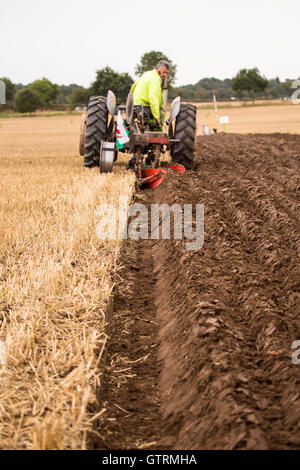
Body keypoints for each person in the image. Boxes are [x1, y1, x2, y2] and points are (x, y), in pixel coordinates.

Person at [130, 60, 169, 129]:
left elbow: (133, 87)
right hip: (144, 108)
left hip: (135, 107)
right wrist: (157, 117)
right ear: (158, 69)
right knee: (160, 116)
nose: (165, 75)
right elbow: (153, 99)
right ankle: (157, 136)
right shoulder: (155, 79)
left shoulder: (146, 74)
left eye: (167, 73)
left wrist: (131, 102)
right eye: (164, 72)